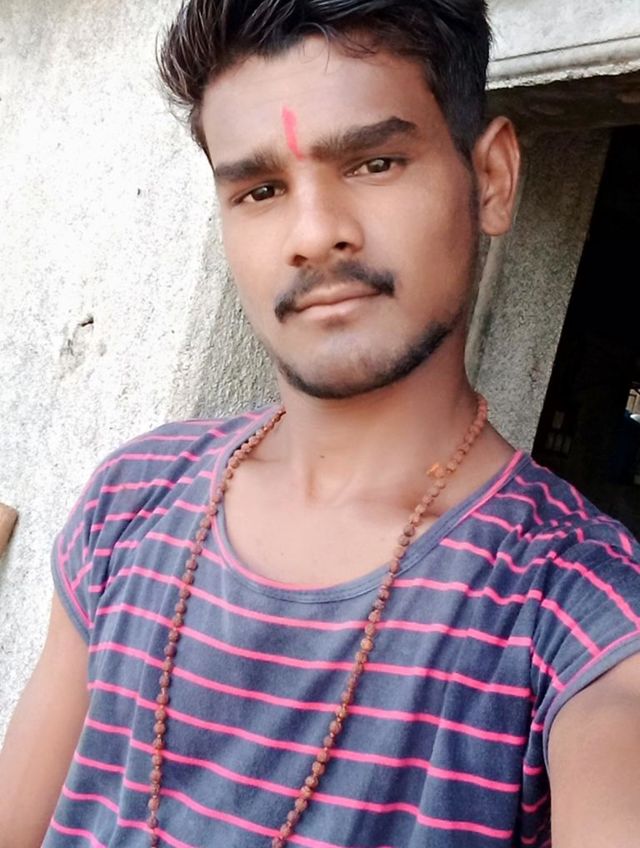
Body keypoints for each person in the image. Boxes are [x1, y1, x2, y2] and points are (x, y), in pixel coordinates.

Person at [1, 1, 640, 846]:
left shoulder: (575, 609)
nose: (313, 234)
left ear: (491, 178)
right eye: (261, 190)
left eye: (375, 163)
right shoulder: (132, 498)